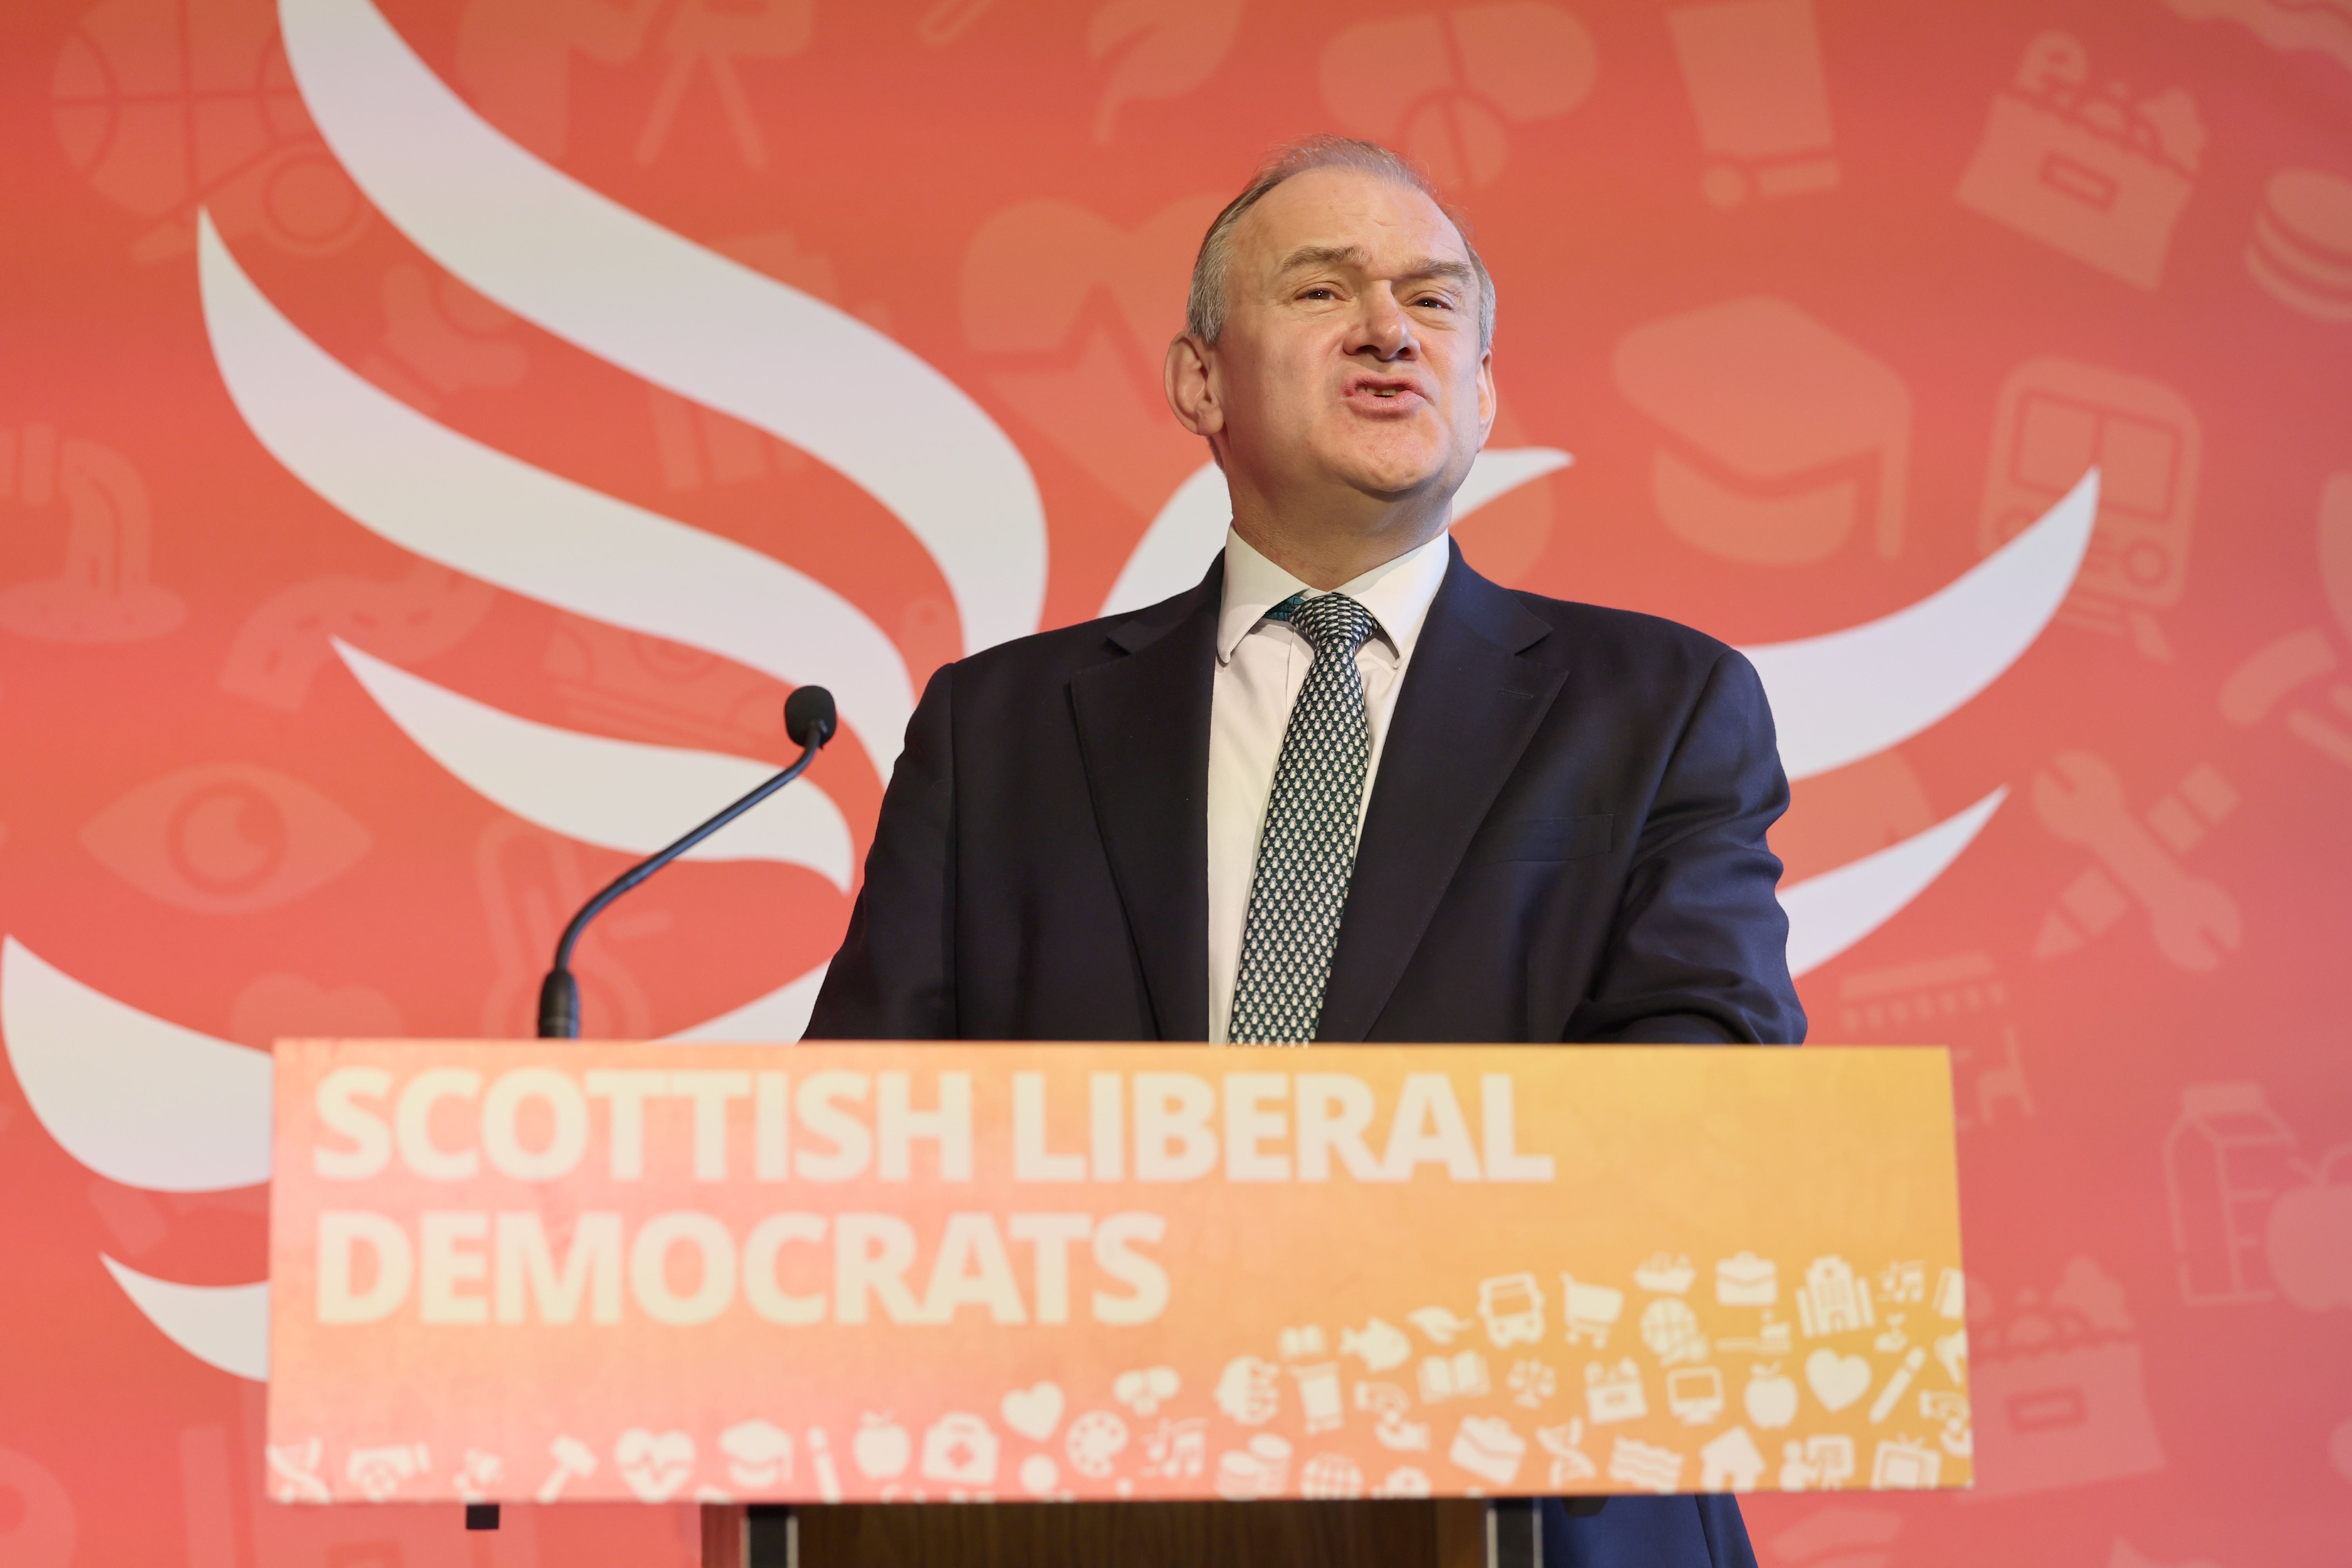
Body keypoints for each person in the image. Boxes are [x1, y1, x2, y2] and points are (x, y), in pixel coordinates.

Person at [809, 136, 1798, 1568]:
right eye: (1324, 290)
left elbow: (1709, 1089)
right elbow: (862, 1132)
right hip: (1077, 1498)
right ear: (1199, 380)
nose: (1392, 329)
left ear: (1483, 392)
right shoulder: (1003, 729)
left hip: (1521, 1488)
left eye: (1435, 301)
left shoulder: (1656, 706)